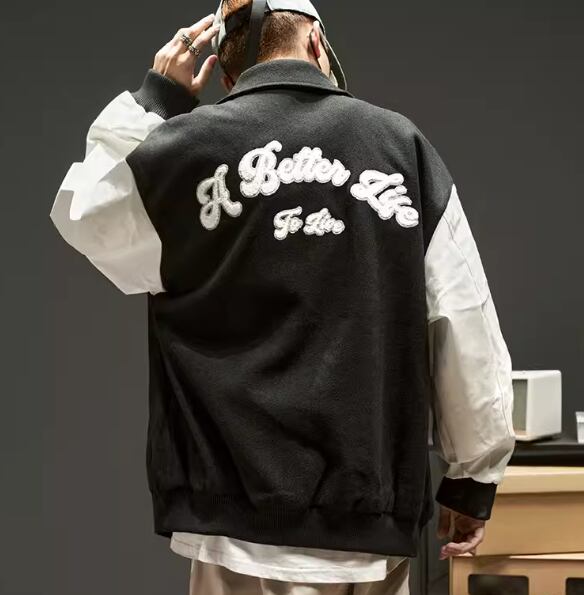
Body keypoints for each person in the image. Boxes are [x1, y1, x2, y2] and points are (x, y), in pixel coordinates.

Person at [49, 1, 516, 593]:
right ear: (317, 43)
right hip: (369, 525)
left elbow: (84, 211)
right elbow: (463, 317)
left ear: (226, 72)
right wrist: (473, 478)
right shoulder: (401, 147)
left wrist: (155, 102)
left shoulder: (185, 151)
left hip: (233, 525)